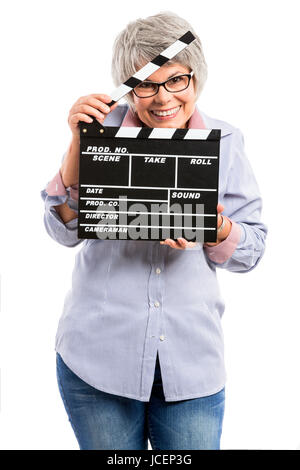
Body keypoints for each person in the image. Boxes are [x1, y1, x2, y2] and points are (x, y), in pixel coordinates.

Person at [41, 11, 267, 450]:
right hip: (98, 359)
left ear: (195, 79)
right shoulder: (101, 132)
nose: (162, 98)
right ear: (128, 87)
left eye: (176, 80)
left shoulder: (225, 141)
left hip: (191, 366)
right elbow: (63, 231)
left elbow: (253, 249)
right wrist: (77, 142)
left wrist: (213, 228)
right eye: (145, 84)